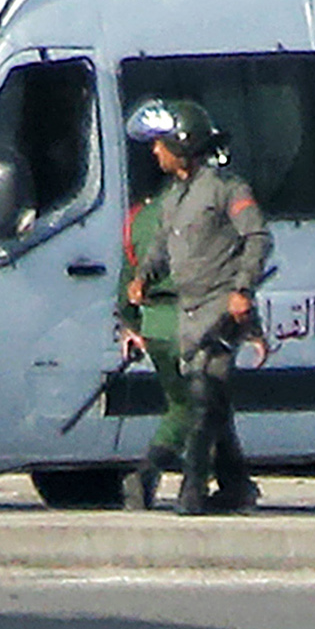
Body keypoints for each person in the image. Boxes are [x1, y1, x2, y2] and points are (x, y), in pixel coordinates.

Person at [127, 99, 268, 515]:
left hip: (220, 309)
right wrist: (143, 278)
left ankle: (193, 492)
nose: (155, 152)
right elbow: (160, 247)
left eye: (162, 144)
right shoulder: (173, 197)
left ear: (182, 144)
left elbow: (257, 238)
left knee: (204, 397)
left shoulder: (227, 189)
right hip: (188, 315)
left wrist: (242, 289)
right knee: (212, 403)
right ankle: (237, 486)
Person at [114, 190, 191, 510]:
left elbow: (127, 277)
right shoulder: (207, 211)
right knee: (191, 405)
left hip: (155, 324)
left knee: (199, 401)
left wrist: (130, 325)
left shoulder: (139, 218)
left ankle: (233, 481)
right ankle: (151, 471)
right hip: (196, 320)